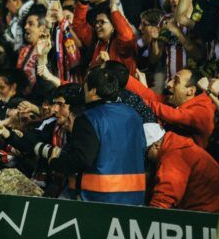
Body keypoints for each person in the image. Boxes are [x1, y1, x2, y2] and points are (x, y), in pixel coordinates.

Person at [48, 67, 147, 205]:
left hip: (99, 200)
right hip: (135, 198)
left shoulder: (89, 118)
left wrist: (55, 163)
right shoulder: (134, 114)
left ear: (93, 91)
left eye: (85, 87)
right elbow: (142, 149)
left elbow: (81, 158)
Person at [145, 123, 219, 212]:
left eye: (146, 153)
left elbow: (164, 197)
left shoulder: (174, 156)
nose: (146, 157)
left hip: (210, 213)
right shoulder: (177, 145)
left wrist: (150, 218)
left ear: (156, 146)